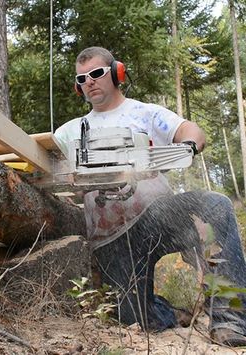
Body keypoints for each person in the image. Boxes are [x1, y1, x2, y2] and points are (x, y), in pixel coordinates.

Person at [54, 46, 246, 347]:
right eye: (82, 78)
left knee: (216, 205)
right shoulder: (68, 132)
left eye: (96, 74)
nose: (89, 82)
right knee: (137, 322)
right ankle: (171, 312)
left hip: (155, 218)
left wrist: (188, 146)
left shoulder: (144, 113)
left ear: (117, 73)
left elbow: (191, 131)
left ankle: (230, 319)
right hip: (111, 239)